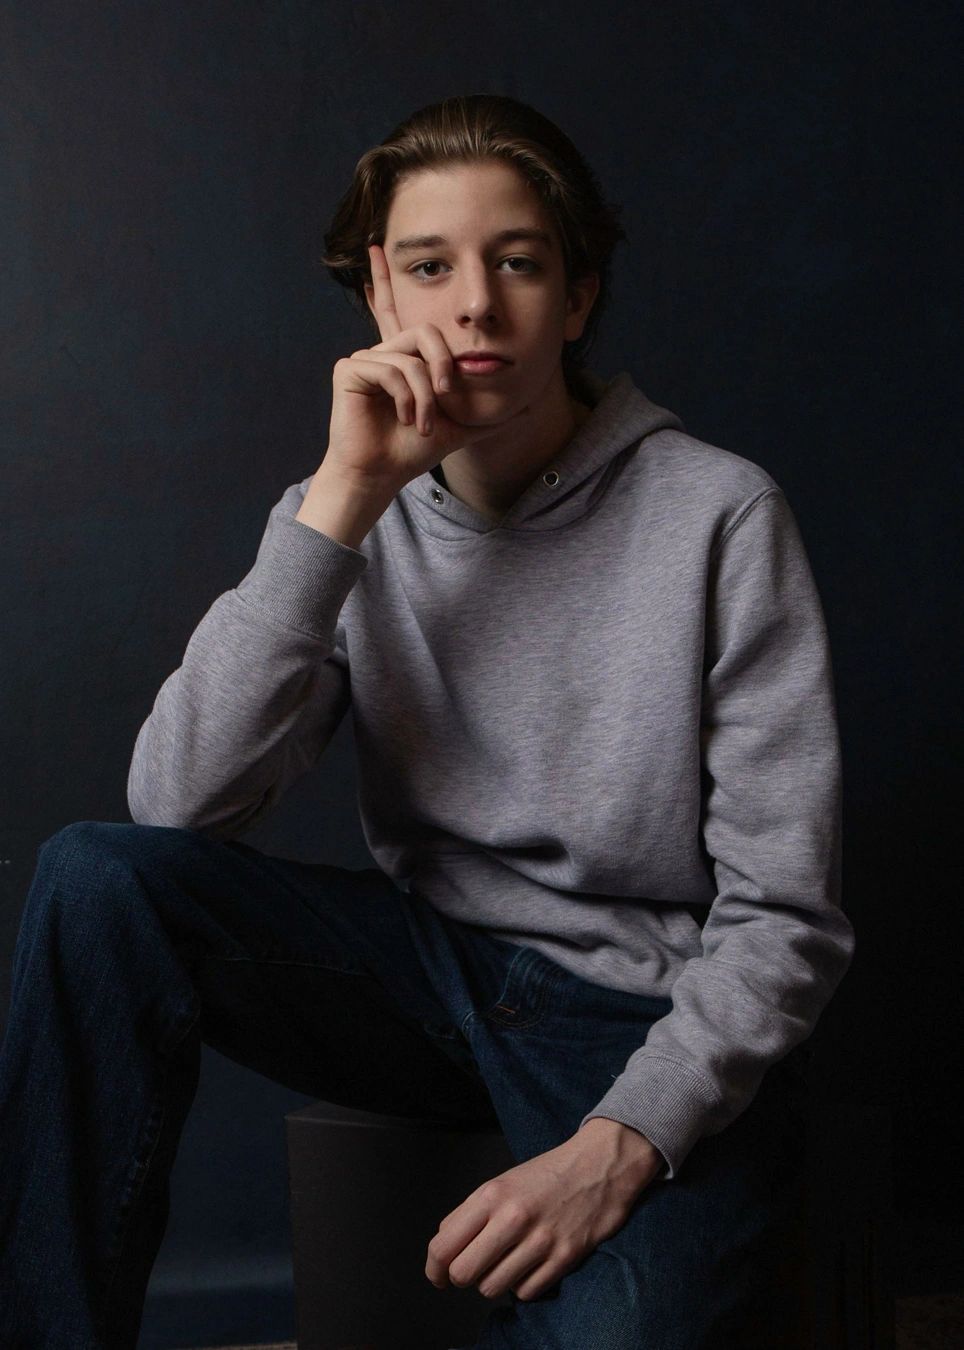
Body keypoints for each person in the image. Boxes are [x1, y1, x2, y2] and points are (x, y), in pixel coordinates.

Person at [0, 92, 856, 1348]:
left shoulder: (718, 514)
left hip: (635, 1009)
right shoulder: (343, 508)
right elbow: (177, 810)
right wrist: (344, 501)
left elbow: (787, 918)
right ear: (376, 300)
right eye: (428, 266)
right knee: (94, 879)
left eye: (518, 262)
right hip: (424, 977)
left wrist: (621, 1143)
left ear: (575, 299)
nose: (474, 305)